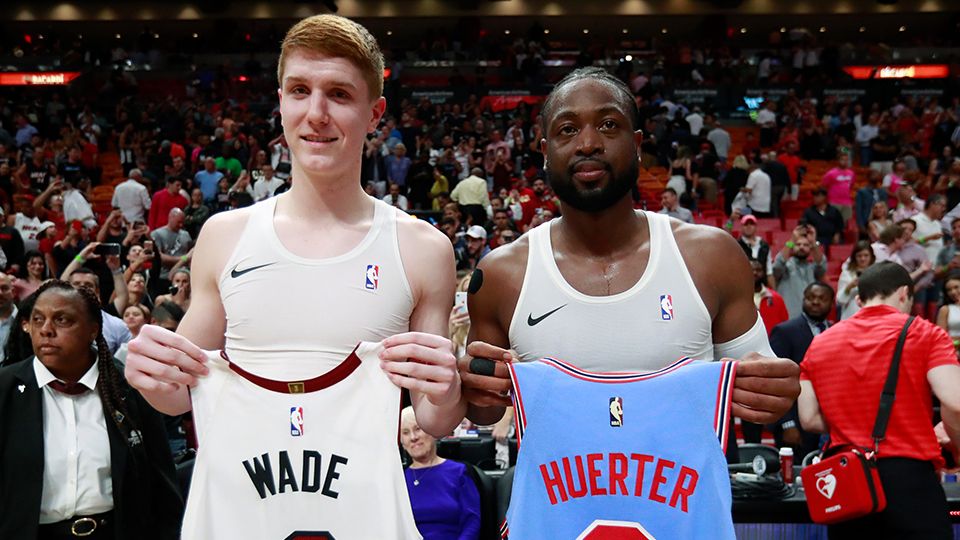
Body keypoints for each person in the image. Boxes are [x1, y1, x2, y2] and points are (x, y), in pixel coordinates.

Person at [125, 15, 463, 539]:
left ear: (375, 113)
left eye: (339, 94)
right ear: (279, 99)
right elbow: (181, 393)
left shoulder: (421, 249)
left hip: (358, 517)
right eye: (300, 91)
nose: (317, 114)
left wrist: (445, 389)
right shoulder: (224, 235)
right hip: (242, 516)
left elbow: (434, 418)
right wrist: (151, 372)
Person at [457, 67, 799, 537]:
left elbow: (765, 392)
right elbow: (483, 410)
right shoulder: (500, 275)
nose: (589, 143)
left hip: (681, 520)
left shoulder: (710, 255)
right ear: (544, 150)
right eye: (568, 129)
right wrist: (469, 385)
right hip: (557, 519)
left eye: (609, 124)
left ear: (638, 142)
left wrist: (777, 390)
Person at [0, 281, 183, 539]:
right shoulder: (6, 389)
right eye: (38, 319)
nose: (46, 330)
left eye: (62, 320)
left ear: (92, 330)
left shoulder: (129, 388)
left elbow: (162, 485)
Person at [799, 262, 960, 539]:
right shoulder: (925, 333)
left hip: (848, 481)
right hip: (909, 478)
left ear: (860, 299)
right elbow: (955, 402)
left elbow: (810, 419)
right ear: (904, 293)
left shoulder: (820, 342)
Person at [767, 282, 835, 456]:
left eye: (822, 298)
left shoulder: (838, 331)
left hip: (831, 421)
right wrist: (787, 423)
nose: (815, 302)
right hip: (795, 421)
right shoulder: (785, 331)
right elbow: (776, 380)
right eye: (811, 298)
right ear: (803, 300)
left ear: (831, 303)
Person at [400, 406, 481, 540]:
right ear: (402, 442)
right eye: (406, 432)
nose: (413, 437)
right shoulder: (399, 480)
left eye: (418, 429)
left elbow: (472, 521)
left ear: (432, 432)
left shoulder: (459, 473)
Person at [772, 225, 827, 317]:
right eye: (798, 244)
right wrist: (791, 241)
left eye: (806, 245)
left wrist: (813, 242)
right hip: (788, 318)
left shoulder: (813, 268)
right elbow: (777, 266)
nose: (801, 247)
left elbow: (821, 265)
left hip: (810, 318)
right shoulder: (786, 267)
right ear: (793, 247)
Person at [836, 240, 876, 320]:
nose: (863, 259)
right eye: (859, 256)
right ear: (854, 257)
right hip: (851, 314)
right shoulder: (846, 273)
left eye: (866, 255)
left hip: (872, 314)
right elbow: (839, 301)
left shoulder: (877, 272)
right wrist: (849, 287)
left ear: (871, 256)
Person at [936, 273, 960, 353]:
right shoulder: (945, 309)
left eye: (956, 287)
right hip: (953, 351)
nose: (953, 292)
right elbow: (941, 338)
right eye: (949, 290)